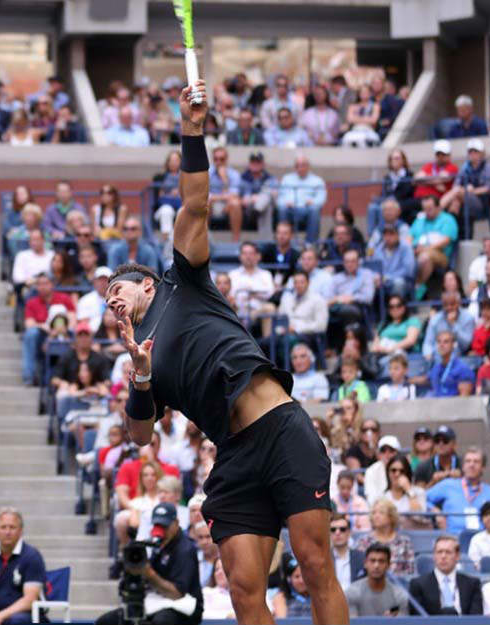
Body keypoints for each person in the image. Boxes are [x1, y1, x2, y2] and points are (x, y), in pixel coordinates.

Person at [105, 80, 347, 625]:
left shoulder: (181, 281)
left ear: (144, 284)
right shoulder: (141, 358)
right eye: (105, 303)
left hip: (280, 426)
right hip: (233, 453)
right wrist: (141, 380)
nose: (111, 303)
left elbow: (196, 201)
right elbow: (140, 437)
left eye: (115, 291)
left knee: (313, 562)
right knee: (242, 587)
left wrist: (192, 130)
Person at [97, 502, 203, 625]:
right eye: (157, 525)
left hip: (184, 606)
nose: (161, 530)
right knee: (106, 621)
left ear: (176, 523)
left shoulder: (185, 549)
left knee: (160, 621)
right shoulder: (157, 544)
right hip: (156, 601)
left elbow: (177, 593)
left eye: (165, 526)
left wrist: (149, 574)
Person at [426, 446, 490, 535]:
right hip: (452, 539)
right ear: (463, 466)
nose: (471, 465)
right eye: (468, 461)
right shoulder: (448, 485)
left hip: (483, 541)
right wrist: (436, 512)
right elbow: (422, 499)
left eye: (476, 462)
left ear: (483, 467)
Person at [21, 272, 75, 386]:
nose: (42, 286)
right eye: (39, 284)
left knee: (76, 333)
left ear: (52, 284)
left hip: (64, 333)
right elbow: (29, 324)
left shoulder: (64, 298)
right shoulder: (32, 302)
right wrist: (46, 328)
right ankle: (29, 376)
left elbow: (72, 320)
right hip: (42, 335)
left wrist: (61, 330)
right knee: (30, 334)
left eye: (45, 283)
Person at [409, 534, 483, 615]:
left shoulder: (472, 584)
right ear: (434, 556)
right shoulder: (418, 584)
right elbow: (417, 619)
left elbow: (476, 617)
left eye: (448, 552)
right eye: (439, 552)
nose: (443, 556)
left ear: (457, 556)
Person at [441, 138, 490, 238]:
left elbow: (488, 188)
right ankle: (452, 235)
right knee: (455, 202)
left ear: (482, 153)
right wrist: (466, 190)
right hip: (464, 199)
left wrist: (471, 191)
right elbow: (456, 185)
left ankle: (439, 209)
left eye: (476, 151)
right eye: (470, 151)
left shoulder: (487, 167)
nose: (472, 153)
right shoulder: (465, 167)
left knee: (458, 193)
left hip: (481, 203)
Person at [411, 194, 458, 299]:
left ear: (438, 207)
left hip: (440, 254)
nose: (427, 212)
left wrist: (426, 249)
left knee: (425, 257)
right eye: (425, 209)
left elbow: (446, 241)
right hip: (417, 251)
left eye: (430, 209)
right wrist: (411, 248)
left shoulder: (448, 219)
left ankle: (418, 288)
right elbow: (409, 237)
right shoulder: (420, 220)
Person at [327, 249, 375, 350]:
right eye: (347, 261)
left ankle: (352, 344)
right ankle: (330, 347)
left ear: (358, 262)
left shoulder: (366, 275)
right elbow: (328, 298)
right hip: (337, 307)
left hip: (358, 306)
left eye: (353, 261)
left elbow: (368, 297)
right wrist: (338, 299)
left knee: (349, 311)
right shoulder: (336, 278)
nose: (350, 264)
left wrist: (351, 298)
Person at [345, 543, 408, 616]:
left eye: (381, 561)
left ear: (388, 565)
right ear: (365, 563)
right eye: (372, 561)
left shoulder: (399, 596)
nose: (376, 566)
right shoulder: (352, 592)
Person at [355, 499, 415, 575]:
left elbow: (410, 571)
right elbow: (358, 569)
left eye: (381, 512)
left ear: (391, 516)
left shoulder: (404, 542)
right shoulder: (363, 541)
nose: (376, 516)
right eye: (374, 513)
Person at [276, 154, 326, 243]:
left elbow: (321, 198)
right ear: (295, 167)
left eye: (303, 165)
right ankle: (284, 242)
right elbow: (279, 198)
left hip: (307, 209)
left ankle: (310, 244)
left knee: (314, 210)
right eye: (297, 166)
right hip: (290, 209)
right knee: (282, 208)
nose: (300, 168)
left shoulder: (317, 180)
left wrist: (313, 202)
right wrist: (285, 203)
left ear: (308, 166)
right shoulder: (287, 179)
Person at [228, 241, 274, 336]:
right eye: (245, 253)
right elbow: (231, 294)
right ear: (240, 256)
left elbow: (269, 292)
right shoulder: (232, 275)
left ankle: (267, 343)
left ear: (258, 256)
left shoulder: (266, 274)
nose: (248, 257)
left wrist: (250, 292)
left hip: (258, 311)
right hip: (238, 310)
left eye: (251, 253)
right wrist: (256, 293)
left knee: (270, 308)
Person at [208, 146, 243, 241]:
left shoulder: (234, 174)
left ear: (226, 159)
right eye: (216, 159)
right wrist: (223, 197)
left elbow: (234, 194)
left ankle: (236, 240)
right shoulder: (207, 173)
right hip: (211, 205)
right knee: (204, 202)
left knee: (235, 203)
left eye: (221, 159)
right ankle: (203, 239)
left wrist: (225, 179)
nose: (218, 162)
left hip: (227, 206)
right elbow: (204, 194)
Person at [239, 152, 278, 237]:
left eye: (258, 162)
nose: (255, 164)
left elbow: (275, 194)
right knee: (266, 200)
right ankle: (267, 241)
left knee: (267, 203)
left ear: (263, 164)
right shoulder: (242, 178)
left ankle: (258, 208)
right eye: (253, 162)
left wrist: (258, 198)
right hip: (248, 209)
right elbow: (239, 197)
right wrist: (250, 198)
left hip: (263, 208)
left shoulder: (270, 178)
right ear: (249, 164)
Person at [372, 223, 415, 298]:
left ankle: (395, 307)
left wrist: (388, 277)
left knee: (398, 282)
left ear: (398, 236)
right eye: (386, 235)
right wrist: (376, 277)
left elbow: (408, 270)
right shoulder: (378, 249)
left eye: (391, 234)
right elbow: (374, 267)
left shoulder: (406, 248)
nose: (388, 238)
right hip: (382, 281)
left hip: (403, 281)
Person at [383, 454, 427, 528]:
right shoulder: (383, 497)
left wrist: (408, 490)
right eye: (393, 470)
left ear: (407, 473)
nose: (397, 474)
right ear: (388, 472)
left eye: (402, 471)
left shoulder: (419, 492)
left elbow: (419, 516)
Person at [427, 330, 475, 397]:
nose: (441, 345)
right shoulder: (436, 368)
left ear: (454, 345)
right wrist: (408, 379)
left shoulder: (463, 369)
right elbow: (426, 379)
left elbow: (464, 400)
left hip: (454, 406)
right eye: (438, 342)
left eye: (446, 342)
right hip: (436, 405)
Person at [329, 513, 365, 592]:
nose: (337, 533)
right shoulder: (324, 559)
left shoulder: (361, 557)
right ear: (329, 533)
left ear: (349, 533)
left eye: (342, 529)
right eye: (333, 530)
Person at [363, 435, 401, 505]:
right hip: (379, 511)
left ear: (398, 453)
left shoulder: (405, 469)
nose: (387, 454)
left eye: (391, 450)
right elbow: (371, 499)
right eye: (383, 451)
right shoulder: (371, 471)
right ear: (379, 454)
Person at [468, 501, 490, 568]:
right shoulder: (476, 539)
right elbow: (474, 563)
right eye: (485, 515)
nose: (488, 518)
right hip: (482, 576)